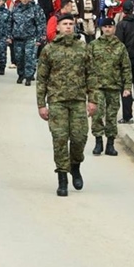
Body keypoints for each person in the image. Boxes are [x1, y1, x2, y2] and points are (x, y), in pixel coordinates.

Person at [36, 13, 98, 197]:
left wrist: (92, 100)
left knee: (79, 138)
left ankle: (75, 165)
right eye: (65, 24)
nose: (68, 27)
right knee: (60, 140)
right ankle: (62, 178)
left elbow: (91, 75)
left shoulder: (82, 48)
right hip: (57, 102)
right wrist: (41, 104)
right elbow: (41, 79)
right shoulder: (49, 50)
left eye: (71, 24)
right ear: (58, 27)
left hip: (78, 100)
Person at [88, 18, 130, 156]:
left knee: (111, 116)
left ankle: (110, 144)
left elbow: (126, 67)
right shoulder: (93, 45)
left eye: (110, 27)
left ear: (114, 29)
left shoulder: (120, 47)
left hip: (114, 86)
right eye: (105, 27)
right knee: (97, 114)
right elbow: (87, 66)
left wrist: (127, 87)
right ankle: (98, 142)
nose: (107, 29)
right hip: (97, 86)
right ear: (101, 29)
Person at [8, 0, 46, 86]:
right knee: (19, 58)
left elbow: (40, 23)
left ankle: (29, 76)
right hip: (18, 38)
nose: (25, 0)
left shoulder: (35, 9)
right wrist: (9, 35)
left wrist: (40, 38)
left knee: (30, 58)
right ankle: (21, 74)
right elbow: (10, 23)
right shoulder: (16, 9)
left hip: (31, 37)